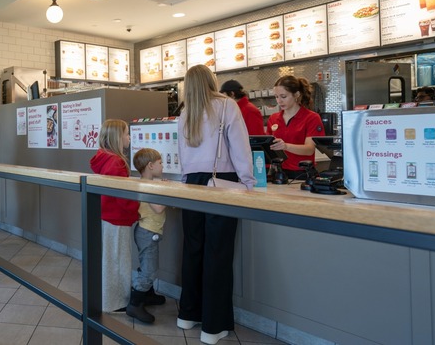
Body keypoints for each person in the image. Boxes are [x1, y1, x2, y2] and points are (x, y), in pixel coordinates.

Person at [176, 65, 256, 345]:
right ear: (213, 81)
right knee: (217, 254)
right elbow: (240, 148)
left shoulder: (186, 112)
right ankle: (213, 326)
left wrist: (187, 180)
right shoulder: (226, 106)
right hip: (221, 183)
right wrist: (248, 183)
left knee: (193, 249)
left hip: (191, 184)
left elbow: (182, 154)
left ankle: (187, 315)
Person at [89, 119, 136, 313]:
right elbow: (122, 196)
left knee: (109, 259)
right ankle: (116, 302)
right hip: (117, 218)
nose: (129, 138)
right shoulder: (116, 162)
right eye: (126, 134)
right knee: (118, 261)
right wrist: (139, 209)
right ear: (118, 137)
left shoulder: (103, 158)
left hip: (105, 217)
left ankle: (108, 298)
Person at [128, 148, 167, 324]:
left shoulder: (147, 183)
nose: (163, 166)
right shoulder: (147, 185)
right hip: (147, 232)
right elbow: (158, 207)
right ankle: (135, 304)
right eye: (160, 163)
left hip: (147, 230)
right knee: (149, 269)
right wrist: (167, 191)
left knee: (147, 264)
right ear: (151, 166)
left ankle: (148, 295)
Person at [266, 75, 325, 180]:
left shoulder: (311, 118)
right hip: (279, 174)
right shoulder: (273, 118)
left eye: (283, 96)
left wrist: (285, 146)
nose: (279, 101)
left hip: (302, 174)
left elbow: (309, 150)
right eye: (276, 97)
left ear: (296, 94)